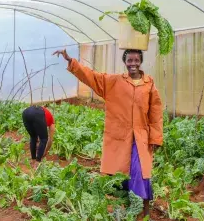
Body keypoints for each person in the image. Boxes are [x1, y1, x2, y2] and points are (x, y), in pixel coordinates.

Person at [53, 48, 163, 218]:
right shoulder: (114, 82)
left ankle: (144, 208)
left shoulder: (149, 83)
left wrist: (155, 137)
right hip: (120, 136)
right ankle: (129, 207)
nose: (133, 64)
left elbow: (155, 112)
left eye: (136, 60)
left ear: (141, 62)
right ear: (125, 62)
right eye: (129, 60)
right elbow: (91, 77)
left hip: (141, 136)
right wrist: (71, 61)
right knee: (120, 174)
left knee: (140, 170)